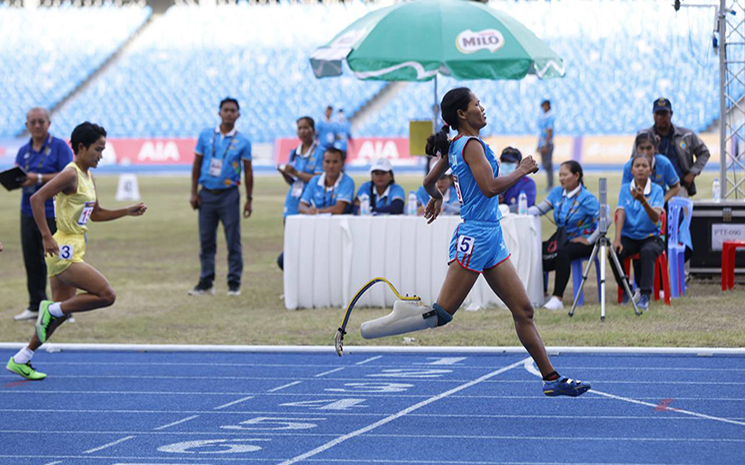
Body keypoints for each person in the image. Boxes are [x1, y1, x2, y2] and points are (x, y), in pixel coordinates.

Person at [360, 88, 590, 397]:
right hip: (476, 236)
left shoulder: (457, 144)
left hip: (491, 236)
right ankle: (389, 321)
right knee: (442, 315)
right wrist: (522, 170)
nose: (483, 108)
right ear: (462, 114)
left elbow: (429, 183)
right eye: (477, 104)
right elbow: (490, 187)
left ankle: (550, 377)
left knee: (524, 311)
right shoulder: (469, 146)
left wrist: (437, 199)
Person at [5, 122, 147, 380]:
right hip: (63, 250)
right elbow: (37, 198)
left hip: (73, 247)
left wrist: (127, 211)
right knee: (106, 295)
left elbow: (97, 214)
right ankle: (50, 310)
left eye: (103, 149)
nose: (101, 155)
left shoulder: (88, 176)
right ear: (81, 147)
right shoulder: (70, 173)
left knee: (60, 312)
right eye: (98, 149)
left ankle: (22, 357)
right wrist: (46, 236)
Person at [13, 108, 74, 322]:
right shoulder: (23, 150)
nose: (37, 126)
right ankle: (35, 304)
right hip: (28, 210)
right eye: (33, 122)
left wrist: (37, 177)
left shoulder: (59, 147)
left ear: (49, 123)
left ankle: (65, 307)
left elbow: (69, 174)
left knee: (59, 260)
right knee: (32, 259)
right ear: (27, 125)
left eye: (41, 121)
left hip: (53, 211)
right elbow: (21, 174)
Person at [189, 97, 253, 297]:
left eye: (233, 110)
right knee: (207, 240)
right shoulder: (206, 135)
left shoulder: (243, 141)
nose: (229, 113)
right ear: (219, 112)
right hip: (206, 193)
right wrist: (193, 192)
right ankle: (206, 282)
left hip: (229, 195)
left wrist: (249, 198)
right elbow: (197, 164)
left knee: (233, 239)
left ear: (238, 115)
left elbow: (248, 171)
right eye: (226, 110)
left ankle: (234, 283)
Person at [529, 161, 599, 311]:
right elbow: (539, 210)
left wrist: (589, 240)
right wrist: (519, 210)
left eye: (564, 174)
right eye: (560, 175)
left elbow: (606, 221)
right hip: (562, 238)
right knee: (537, 249)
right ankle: (541, 294)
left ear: (576, 176)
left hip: (582, 242)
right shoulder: (557, 192)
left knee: (563, 253)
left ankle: (557, 298)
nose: (561, 178)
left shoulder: (587, 198)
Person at [610, 153, 665, 311]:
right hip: (630, 236)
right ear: (631, 170)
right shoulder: (625, 189)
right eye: (637, 166)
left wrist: (642, 200)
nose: (641, 169)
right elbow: (620, 213)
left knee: (648, 251)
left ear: (651, 170)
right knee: (613, 253)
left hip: (651, 236)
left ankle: (645, 296)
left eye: (644, 166)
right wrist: (617, 239)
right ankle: (629, 290)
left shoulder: (657, 190)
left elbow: (655, 217)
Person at [633, 98, 710, 197]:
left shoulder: (686, 135)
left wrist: (692, 173)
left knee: (679, 209)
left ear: (671, 114)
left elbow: (704, 152)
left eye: (664, 114)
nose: (660, 117)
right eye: (657, 114)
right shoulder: (644, 136)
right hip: (650, 187)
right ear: (653, 115)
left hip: (679, 186)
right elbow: (634, 158)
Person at [278, 116, 325, 218]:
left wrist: (296, 173)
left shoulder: (320, 152)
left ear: (313, 130)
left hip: (310, 200)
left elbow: (318, 179)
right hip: (293, 199)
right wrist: (285, 173)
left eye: (305, 128)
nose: (302, 131)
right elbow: (292, 181)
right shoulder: (294, 153)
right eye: (300, 128)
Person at [623, 132, 680, 203]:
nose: (645, 152)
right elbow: (625, 190)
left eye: (649, 148)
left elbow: (676, 186)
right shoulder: (629, 166)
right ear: (636, 149)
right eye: (641, 148)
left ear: (655, 148)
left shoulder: (664, 163)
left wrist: (662, 201)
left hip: (659, 204)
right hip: (635, 205)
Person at [299, 148, 355, 215]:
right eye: (327, 162)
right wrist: (308, 210)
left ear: (342, 164)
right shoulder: (315, 181)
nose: (331, 166)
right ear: (323, 163)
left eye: (335, 162)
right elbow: (301, 206)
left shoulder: (347, 182)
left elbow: (338, 209)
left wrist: (317, 211)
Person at [499, 146, 537, 212]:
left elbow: (523, 207)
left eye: (509, 162)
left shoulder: (527, 183)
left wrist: (499, 209)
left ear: (519, 164)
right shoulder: (496, 181)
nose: (505, 164)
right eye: (503, 161)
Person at [537, 99, 555, 191]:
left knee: (548, 165)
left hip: (547, 144)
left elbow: (549, 131)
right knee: (545, 165)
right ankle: (549, 185)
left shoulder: (550, 117)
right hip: (542, 143)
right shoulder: (543, 117)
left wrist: (546, 145)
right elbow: (541, 133)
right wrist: (538, 145)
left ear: (548, 106)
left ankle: (551, 185)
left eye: (544, 106)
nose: (543, 108)